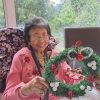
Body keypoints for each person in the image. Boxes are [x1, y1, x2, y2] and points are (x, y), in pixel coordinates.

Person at [2, 16, 100, 100]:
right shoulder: (20, 57)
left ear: (49, 37)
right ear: (28, 39)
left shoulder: (56, 56)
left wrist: (92, 80)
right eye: (36, 36)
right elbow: (6, 96)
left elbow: (71, 76)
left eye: (44, 35)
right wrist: (27, 88)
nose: (41, 40)